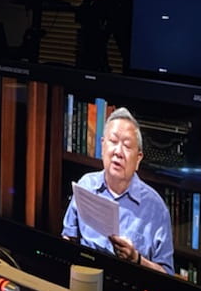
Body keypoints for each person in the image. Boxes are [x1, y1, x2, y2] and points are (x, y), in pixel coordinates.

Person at [61, 108, 173, 274]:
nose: (118, 152)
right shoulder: (86, 185)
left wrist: (137, 259)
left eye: (127, 146)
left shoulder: (156, 208)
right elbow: (68, 238)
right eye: (113, 141)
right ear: (102, 146)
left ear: (138, 159)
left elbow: (167, 274)